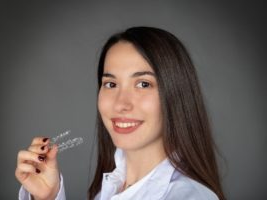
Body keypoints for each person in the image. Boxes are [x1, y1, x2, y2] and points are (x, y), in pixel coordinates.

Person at [15, 26, 226, 200]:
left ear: (176, 94)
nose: (121, 104)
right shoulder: (111, 187)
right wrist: (48, 197)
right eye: (111, 83)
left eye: (143, 84)